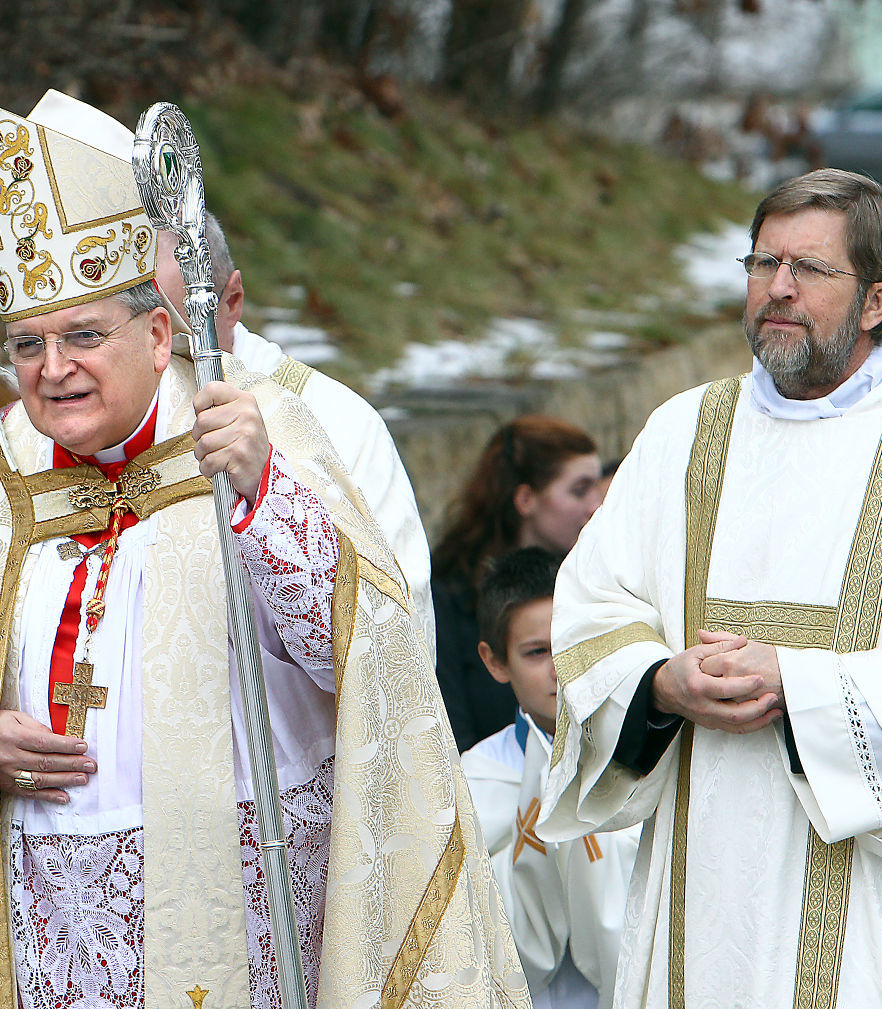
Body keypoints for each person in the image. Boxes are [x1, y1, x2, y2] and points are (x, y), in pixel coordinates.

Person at [0, 90, 527, 1009]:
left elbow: (368, 662)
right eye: (28, 343)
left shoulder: (256, 433)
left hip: (240, 907)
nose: (53, 369)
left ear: (160, 331)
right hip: (42, 921)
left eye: (84, 335)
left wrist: (261, 497)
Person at [539, 169, 882, 1007]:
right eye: (762, 261)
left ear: (877, 300)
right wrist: (660, 681)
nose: (776, 287)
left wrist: (800, 686)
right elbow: (593, 605)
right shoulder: (682, 436)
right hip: (699, 913)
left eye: (808, 269)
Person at [153, 214, 435, 651]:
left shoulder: (341, 424)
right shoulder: (90, 426)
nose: (156, 353)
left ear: (232, 301)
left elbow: (399, 637)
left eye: (175, 333)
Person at [461, 548, 638, 1009]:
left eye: (569, 643)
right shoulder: (473, 779)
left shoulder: (642, 753)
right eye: (537, 652)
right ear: (496, 662)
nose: (559, 669)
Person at [434, 417, 603, 751]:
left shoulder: (597, 579)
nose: (595, 506)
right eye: (579, 490)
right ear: (525, 499)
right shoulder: (448, 599)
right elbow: (447, 733)